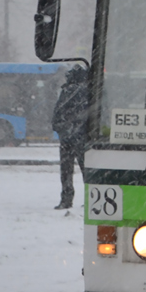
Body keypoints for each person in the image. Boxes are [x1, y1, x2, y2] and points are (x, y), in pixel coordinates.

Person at [53, 64, 91, 210]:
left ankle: (66, 199)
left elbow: (58, 112)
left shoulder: (67, 90)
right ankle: (90, 199)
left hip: (67, 138)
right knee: (86, 171)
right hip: (82, 137)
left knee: (66, 171)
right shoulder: (89, 90)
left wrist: (61, 129)